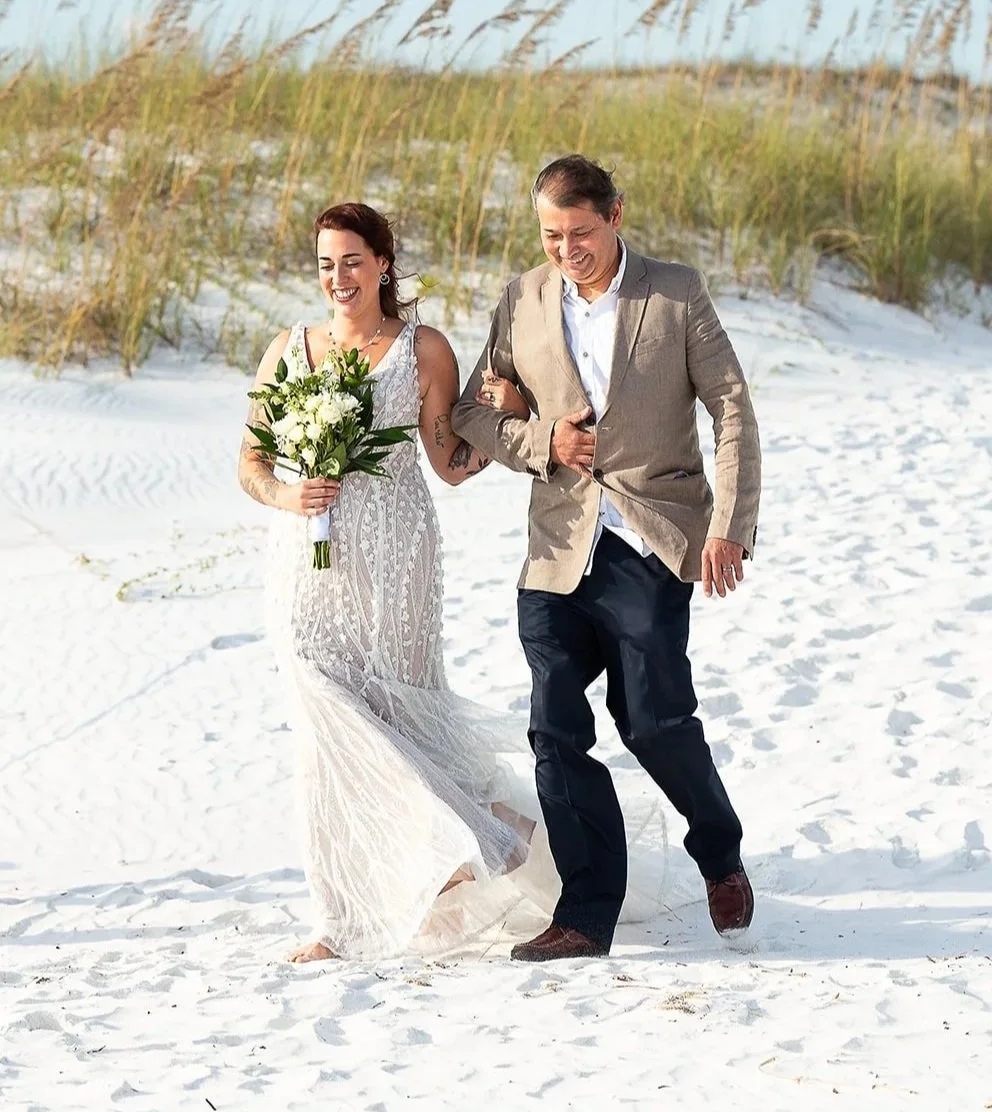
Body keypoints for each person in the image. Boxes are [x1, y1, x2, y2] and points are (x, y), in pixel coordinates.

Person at [452, 154, 762, 963]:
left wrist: (730, 526)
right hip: (556, 548)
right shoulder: (522, 298)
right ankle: (586, 918)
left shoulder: (675, 293)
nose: (566, 250)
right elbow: (472, 415)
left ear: (615, 215)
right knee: (555, 732)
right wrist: (541, 441)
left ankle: (719, 849)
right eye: (551, 236)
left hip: (649, 540)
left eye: (580, 233)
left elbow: (732, 410)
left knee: (653, 721)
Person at [238, 202, 537, 962]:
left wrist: (504, 420)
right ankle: (344, 917)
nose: (338, 277)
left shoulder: (422, 349)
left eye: (352, 261)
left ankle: (474, 836)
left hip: (398, 559)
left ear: (382, 263)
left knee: (399, 714)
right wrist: (288, 495)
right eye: (325, 264)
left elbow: (449, 463)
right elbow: (251, 462)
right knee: (323, 725)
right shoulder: (289, 350)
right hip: (305, 562)